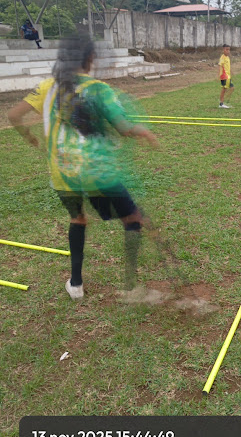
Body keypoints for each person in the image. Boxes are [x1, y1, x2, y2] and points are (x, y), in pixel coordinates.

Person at [8, 35, 158, 301]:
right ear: (89, 58)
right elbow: (123, 127)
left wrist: (28, 136)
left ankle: (76, 285)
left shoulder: (48, 87)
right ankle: (131, 286)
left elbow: (13, 115)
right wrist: (143, 132)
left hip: (62, 175)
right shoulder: (99, 89)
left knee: (77, 219)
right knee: (133, 218)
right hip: (97, 173)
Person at [218, 44, 234, 108]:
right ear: (223, 50)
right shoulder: (222, 58)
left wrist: (231, 72)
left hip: (228, 76)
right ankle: (221, 103)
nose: (228, 51)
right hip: (224, 76)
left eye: (229, 50)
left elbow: (227, 66)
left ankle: (223, 101)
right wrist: (219, 75)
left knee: (231, 88)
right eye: (226, 49)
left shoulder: (227, 57)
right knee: (224, 89)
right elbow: (220, 66)